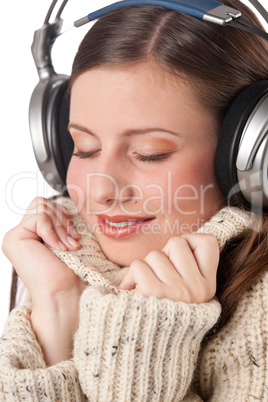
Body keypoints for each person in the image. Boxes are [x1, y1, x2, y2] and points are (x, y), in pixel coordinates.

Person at [1, 0, 268, 400]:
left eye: (149, 153)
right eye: (84, 148)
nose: (101, 190)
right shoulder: (63, 260)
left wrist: (150, 337)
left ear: (245, 155)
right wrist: (56, 307)